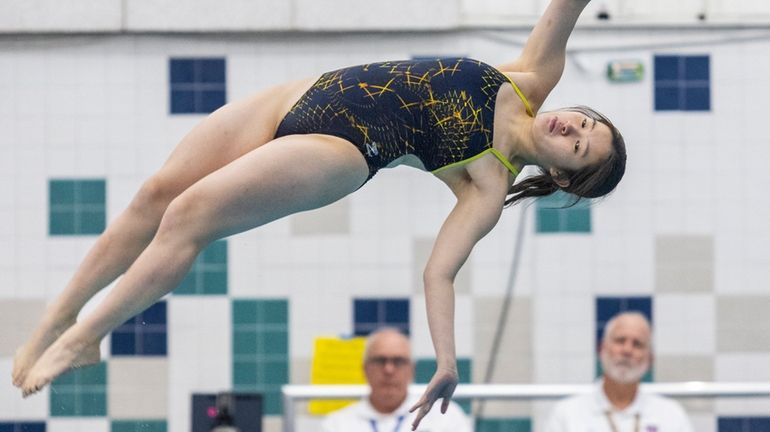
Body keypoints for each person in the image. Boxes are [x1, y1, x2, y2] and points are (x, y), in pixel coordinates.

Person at [13, 0, 626, 428]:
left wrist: (445, 361)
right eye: (587, 122)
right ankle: (58, 314)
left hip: (342, 152)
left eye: (578, 146)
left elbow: (439, 272)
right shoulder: (533, 78)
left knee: (188, 215)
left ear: (562, 176)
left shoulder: (487, 185)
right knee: (156, 194)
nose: (573, 126)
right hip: (306, 94)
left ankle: (84, 337)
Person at [543, 312, 693, 432]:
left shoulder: (671, 415)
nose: (627, 350)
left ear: (650, 360)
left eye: (638, 344)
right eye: (620, 341)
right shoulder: (566, 415)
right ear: (602, 349)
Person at [322, 328, 471, 432]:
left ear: (411, 369)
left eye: (398, 361)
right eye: (380, 360)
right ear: (365, 369)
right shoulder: (337, 425)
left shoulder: (446, 417)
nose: (389, 370)